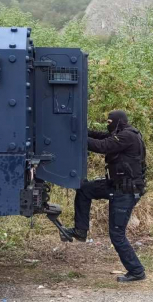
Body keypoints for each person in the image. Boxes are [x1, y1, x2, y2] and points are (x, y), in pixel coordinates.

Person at [62, 110, 147, 282]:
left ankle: (137, 271)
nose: (108, 125)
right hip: (115, 186)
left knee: (117, 234)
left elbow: (103, 146)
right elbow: (100, 136)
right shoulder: (122, 133)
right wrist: (78, 130)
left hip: (126, 192)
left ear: (119, 122)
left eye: (110, 122)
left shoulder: (127, 136)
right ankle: (80, 230)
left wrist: (77, 139)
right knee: (85, 189)